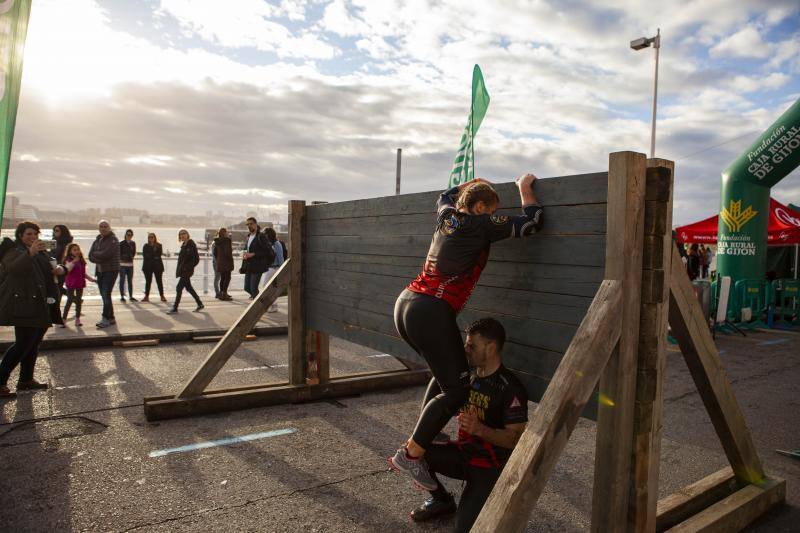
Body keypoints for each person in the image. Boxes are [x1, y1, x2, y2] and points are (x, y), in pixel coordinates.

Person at [389, 174, 543, 490]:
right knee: (457, 391)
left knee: (446, 373)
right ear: (481, 207)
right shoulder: (480, 223)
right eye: (491, 210)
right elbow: (532, 222)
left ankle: (429, 432)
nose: (493, 215)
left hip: (406, 303)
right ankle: (411, 454)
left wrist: (469, 183)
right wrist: (524, 188)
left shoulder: (447, 215)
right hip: (432, 310)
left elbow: (444, 195)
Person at [408, 318, 528, 532]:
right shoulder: (466, 377)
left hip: (488, 468)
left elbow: (515, 439)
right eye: (466, 343)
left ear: (491, 348)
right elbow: (439, 382)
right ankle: (442, 501)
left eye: (472, 345)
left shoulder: (510, 388)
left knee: (462, 530)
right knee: (413, 451)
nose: (466, 349)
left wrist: (480, 429)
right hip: (464, 454)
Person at [0, 222, 65, 398]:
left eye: (35, 234)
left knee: (33, 343)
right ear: (20, 235)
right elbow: (14, 269)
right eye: (29, 234)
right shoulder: (14, 251)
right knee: (22, 343)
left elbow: (48, 270)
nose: (33, 237)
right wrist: (30, 253)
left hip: (41, 304)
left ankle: (26, 379)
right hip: (24, 305)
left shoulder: (41, 252)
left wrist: (59, 268)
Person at [88, 220, 120, 328]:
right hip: (100, 271)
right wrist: (99, 256)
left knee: (106, 293)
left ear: (109, 228)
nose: (103, 228)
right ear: (99, 228)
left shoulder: (113, 240)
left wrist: (96, 255)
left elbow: (107, 254)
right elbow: (90, 256)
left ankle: (105, 319)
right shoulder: (97, 240)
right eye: (101, 226)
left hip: (111, 271)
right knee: (105, 295)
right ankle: (111, 317)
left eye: (105, 226)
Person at [167, 229, 203, 313]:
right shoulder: (184, 245)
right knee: (189, 288)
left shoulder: (191, 245)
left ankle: (175, 308)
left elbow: (196, 259)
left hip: (187, 271)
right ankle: (200, 304)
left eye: (184, 233)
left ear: (187, 234)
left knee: (178, 288)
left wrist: (187, 267)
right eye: (180, 234)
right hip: (183, 270)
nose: (182, 235)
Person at [62, 243, 95, 327]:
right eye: (74, 250)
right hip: (71, 283)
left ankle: (77, 319)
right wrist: (73, 262)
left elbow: (83, 273)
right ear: (70, 251)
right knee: (69, 300)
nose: (77, 251)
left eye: (78, 249)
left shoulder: (81, 260)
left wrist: (91, 279)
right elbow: (67, 270)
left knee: (78, 301)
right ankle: (64, 319)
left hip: (80, 282)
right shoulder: (68, 260)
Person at [241, 217, 274, 299]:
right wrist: (244, 254)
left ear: (256, 224)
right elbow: (246, 249)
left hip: (258, 266)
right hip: (248, 266)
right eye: (247, 224)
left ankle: (258, 302)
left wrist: (254, 254)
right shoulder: (248, 236)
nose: (249, 226)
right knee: (246, 287)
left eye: (251, 224)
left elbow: (268, 251)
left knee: (253, 289)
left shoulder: (261, 236)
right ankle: (260, 299)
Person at [260, 227, 285, 312]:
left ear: (269, 234)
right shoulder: (268, 244)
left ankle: (273, 306)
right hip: (268, 268)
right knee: (269, 288)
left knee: (266, 288)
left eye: (265, 234)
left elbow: (280, 257)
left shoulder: (276, 243)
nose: (264, 236)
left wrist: (282, 271)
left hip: (274, 268)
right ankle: (273, 305)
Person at [141, 232, 166, 302]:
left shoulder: (159, 245)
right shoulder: (145, 246)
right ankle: (146, 296)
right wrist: (154, 255)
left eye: (152, 237)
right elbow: (145, 256)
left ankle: (162, 296)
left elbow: (159, 255)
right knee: (148, 282)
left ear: (155, 238)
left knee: (159, 281)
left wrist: (151, 255)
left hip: (158, 267)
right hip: (148, 267)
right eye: (149, 237)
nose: (151, 238)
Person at [51, 224, 73, 297]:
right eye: (54, 230)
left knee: (57, 287)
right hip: (53, 266)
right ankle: (73, 298)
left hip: (61, 267)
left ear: (63, 232)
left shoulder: (66, 243)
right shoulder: (53, 241)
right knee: (56, 287)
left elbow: (55, 255)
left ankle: (73, 298)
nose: (55, 232)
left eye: (57, 230)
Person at [213, 227, 234, 301]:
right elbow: (227, 252)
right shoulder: (227, 240)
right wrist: (230, 259)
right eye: (226, 232)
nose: (227, 233)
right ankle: (224, 294)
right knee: (227, 278)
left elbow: (215, 253)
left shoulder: (217, 241)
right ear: (224, 233)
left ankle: (222, 294)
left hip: (220, 262)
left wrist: (219, 259)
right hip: (226, 262)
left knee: (222, 278)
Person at [119, 229, 137, 302]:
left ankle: (131, 296)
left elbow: (134, 253)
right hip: (122, 265)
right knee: (122, 280)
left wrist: (130, 256)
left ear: (132, 236)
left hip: (130, 265)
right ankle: (122, 296)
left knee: (130, 281)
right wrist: (123, 257)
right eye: (128, 234)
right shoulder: (121, 243)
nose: (129, 236)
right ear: (125, 235)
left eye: (130, 235)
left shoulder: (133, 243)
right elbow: (119, 253)